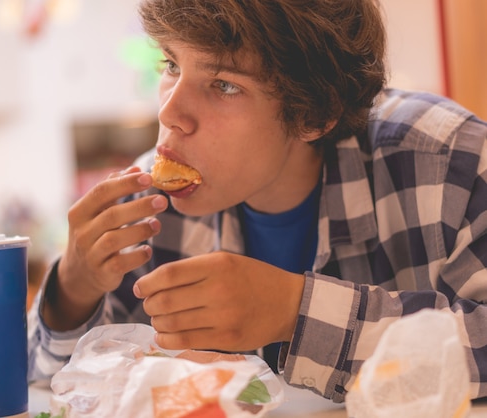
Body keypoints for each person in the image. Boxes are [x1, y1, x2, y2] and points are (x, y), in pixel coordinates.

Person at [27, 0, 487, 403]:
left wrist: (294, 312)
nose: (168, 112)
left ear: (315, 113)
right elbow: (57, 384)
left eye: (224, 84)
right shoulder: (147, 207)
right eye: (171, 64)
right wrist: (73, 287)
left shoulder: (448, 162)